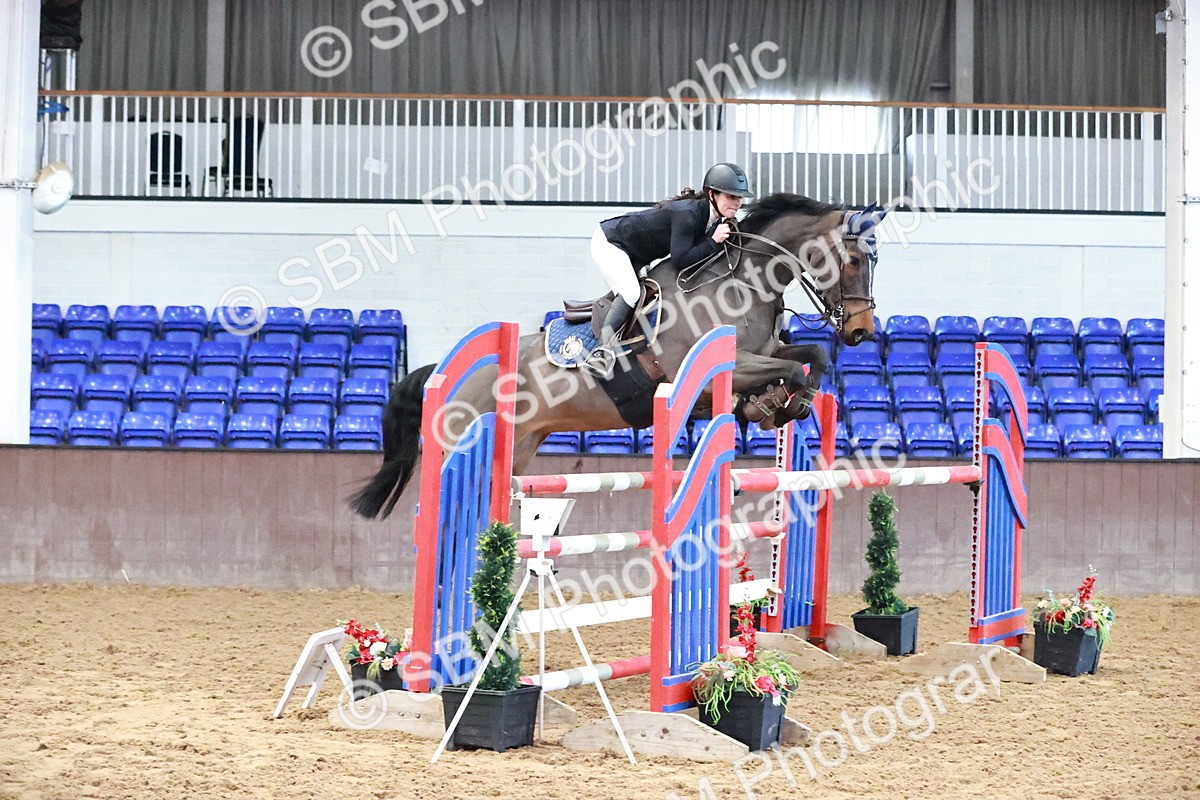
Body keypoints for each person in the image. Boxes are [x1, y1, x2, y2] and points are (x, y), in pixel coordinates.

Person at [583, 162, 754, 377]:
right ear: (712, 195)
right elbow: (681, 260)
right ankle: (601, 351)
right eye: (731, 197)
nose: (737, 203)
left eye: (739, 198)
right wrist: (713, 241)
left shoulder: (713, 218)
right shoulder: (688, 214)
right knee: (630, 292)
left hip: (635, 255)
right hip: (610, 243)